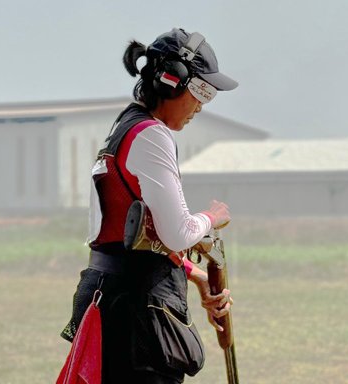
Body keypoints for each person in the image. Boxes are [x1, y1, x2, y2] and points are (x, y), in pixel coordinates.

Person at [60, 28, 237, 384]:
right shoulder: (151, 135)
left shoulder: (126, 126)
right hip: (139, 311)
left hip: (113, 294)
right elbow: (177, 233)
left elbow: (134, 236)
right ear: (172, 81)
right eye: (200, 90)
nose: (201, 105)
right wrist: (212, 218)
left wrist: (195, 274)